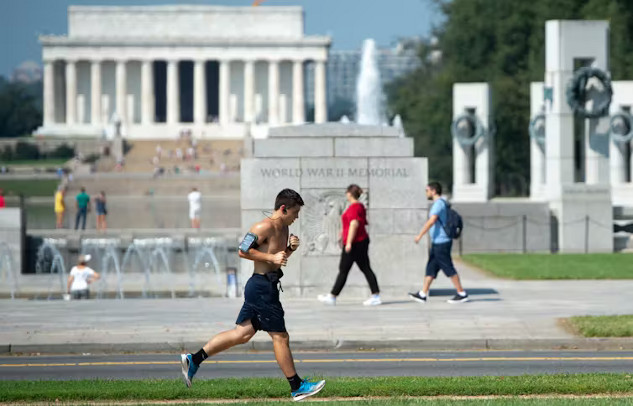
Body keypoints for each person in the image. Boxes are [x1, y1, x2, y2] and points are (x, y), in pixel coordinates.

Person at [179, 189, 325, 401]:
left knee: (242, 334)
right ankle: (297, 387)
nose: (297, 217)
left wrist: (289, 250)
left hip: (266, 285)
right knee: (280, 337)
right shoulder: (263, 226)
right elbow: (242, 250)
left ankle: (194, 359)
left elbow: (276, 258)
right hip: (261, 287)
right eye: (294, 212)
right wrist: (272, 257)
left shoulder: (284, 228)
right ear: (283, 209)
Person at [318, 184, 382, 306]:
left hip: (356, 243)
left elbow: (354, 224)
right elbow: (350, 224)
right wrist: (343, 234)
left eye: (346, 192)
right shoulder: (358, 206)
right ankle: (375, 295)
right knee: (363, 268)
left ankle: (333, 296)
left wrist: (348, 243)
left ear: (349, 193)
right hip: (358, 242)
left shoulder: (355, 207)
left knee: (345, 270)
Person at [409, 182, 469, 304]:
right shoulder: (442, 203)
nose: (426, 193)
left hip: (441, 242)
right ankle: (423, 294)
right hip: (438, 242)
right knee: (431, 268)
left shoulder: (438, 204)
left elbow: (431, 221)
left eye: (427, 190)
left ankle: (461, 293)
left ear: (433, 191)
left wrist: (420, 235)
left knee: (448, 267)